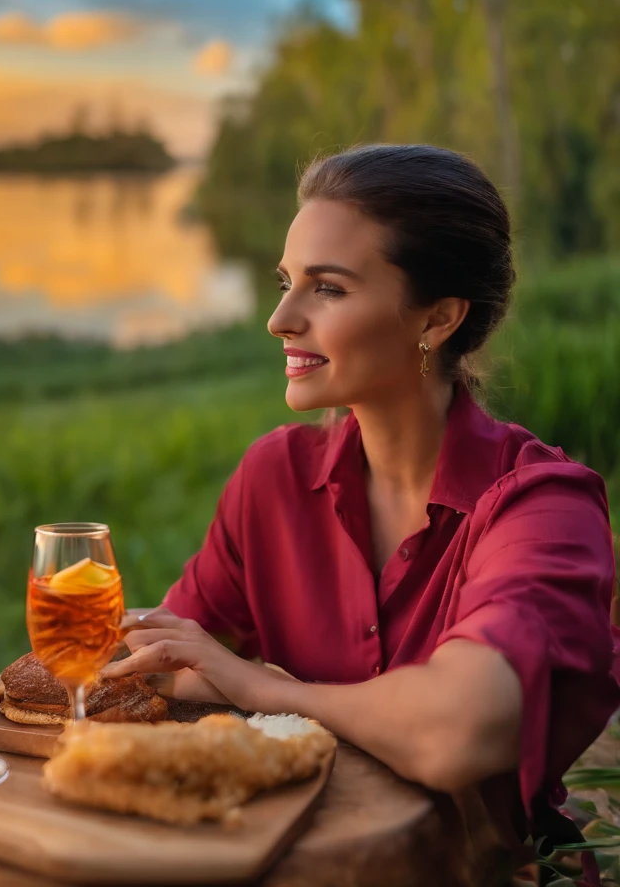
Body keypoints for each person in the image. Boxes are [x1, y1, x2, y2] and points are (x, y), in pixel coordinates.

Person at [102, 144, 620, 882]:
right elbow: (165, 665)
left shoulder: (543, 509)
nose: (281, 319)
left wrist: (264, 686)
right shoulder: (273, 479)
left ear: (436, 319)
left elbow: (458, 731)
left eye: (329, 289)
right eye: (286, 283)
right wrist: (195, 668)